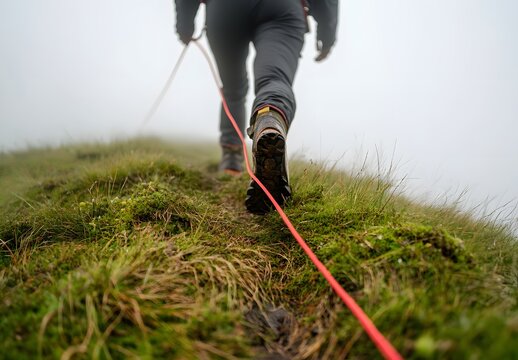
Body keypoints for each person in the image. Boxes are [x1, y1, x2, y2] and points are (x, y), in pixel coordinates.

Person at [175, 0, 338, 214]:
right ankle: (269, 120)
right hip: (282, 8)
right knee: (274, 78)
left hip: (225, 10)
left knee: (233, 89)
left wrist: (185, 25)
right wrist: (327, 32)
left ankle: (232, 159)